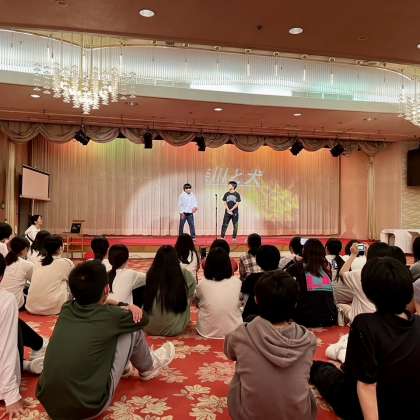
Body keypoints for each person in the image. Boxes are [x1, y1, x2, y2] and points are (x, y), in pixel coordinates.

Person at [37, 260, 175, 420]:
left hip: (50, 405)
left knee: (105, 334)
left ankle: (124, 368)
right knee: (132, 328)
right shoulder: (112, 316)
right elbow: (143, 319)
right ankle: (149, 367)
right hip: (89, 407)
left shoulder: (66, 308)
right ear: (107, 289)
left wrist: (112, 302)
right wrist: (126, 305)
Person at [311, 257, 420, 420]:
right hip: (409, 404)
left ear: (369, 293)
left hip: (369, 406)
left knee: (322, 371)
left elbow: (366, 385)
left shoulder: (365, 324)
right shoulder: (417, 322)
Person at [225, 270, 317, 420]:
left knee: (239, 374)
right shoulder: (308, 340)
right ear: (295, 303)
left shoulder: (241, 334)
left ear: (256, 300)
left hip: (249, 416)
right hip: (300, 416)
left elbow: (229, 352)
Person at [0, 254, 48, 419]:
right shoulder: (5, 300)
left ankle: (28, 361)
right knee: (13, 326)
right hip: (3, 385)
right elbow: (6, 348)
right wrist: (11, 396)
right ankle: (36, 350)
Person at [143, 245, 196, 336]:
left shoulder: (150, 273)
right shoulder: (184, 273)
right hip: (174, 328)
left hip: (149, 326)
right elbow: (191, 294)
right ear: (175, 258)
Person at [286, 238, 337, 327]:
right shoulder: (326, 270)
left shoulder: (296, 267)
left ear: (304, 251)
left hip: (306, 319)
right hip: (329, 318)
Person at [337, 241, 392, 324]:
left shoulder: (359, 274)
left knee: (340, 306)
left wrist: (353, 254)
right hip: (385, 321)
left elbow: (342, 273)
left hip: (361, 321)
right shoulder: (393, 275)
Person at [196, 247, 242, 338]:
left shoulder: (202, 283)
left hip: (206, 330)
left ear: (208, 265)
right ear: (228, 264)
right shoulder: (237, 282)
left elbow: (197, 302)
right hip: (234, 329)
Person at [26, 235, 74, 315]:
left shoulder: (37, 262)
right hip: (53, 309)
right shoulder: (66, 263)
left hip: (31, 307)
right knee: (69, 285)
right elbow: (74, 283)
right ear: (60, 248)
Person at [241, 245, 281, 321]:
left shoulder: (251, 279)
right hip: (280, 319)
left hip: (254, 320)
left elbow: (244, 302)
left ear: (258, 261)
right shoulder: (286, 277)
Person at [0, 236, 33, 309]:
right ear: (25, 249)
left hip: (2, 300)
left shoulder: (4, 260)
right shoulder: (27, 264)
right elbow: (33, 281)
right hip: (15, 304)